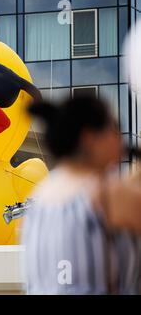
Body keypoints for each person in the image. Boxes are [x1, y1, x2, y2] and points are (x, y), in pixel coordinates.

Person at [22, 95, 140, 295]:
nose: (119, 138)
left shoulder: (42, 193)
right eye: (113, 128)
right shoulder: (106, 193)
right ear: (89, 137)